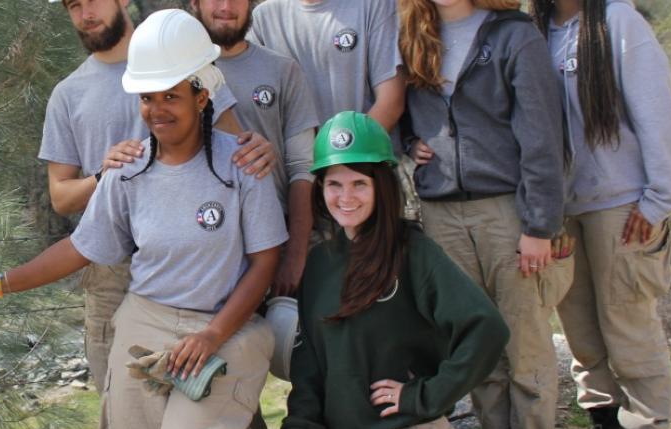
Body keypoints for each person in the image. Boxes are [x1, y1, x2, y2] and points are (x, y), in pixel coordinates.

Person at [0, 11, 286, 429]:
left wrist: (213, 334)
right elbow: (79, 248)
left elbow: (265, 262)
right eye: (147, 97)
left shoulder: (242, 167)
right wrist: (2, 282)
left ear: (202, 96)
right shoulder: (127, 173)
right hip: (143, 323)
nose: (156, 109)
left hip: (227, 327)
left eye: (170, 95)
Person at [42, 0, 275, 399]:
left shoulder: (183, 56)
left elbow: (238, 151)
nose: (86, 13)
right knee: (124, 409)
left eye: (93, 0)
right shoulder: (68, 94)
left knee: (216, 404)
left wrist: (261, 150)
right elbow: (61, 197)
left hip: (198, 262)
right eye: (73, 5)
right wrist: (103, 177)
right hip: (111, 269)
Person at [257, 111, 509, 429]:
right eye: (333, 184)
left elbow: (487, 329)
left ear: (382, 186)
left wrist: (425, 395)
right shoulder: (319, 263)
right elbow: (309, 359)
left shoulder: (414, 252)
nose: (346, 197)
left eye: (359, 183)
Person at [397, 0, 568, 429]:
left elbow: (542, 136)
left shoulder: (514, 36)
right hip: (440, 212)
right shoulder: (411, 33)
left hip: (506, 209)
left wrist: (539, 225)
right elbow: (398, 110)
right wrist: (409, 142)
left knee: (523, 335)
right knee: (475, 336)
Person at [532, 1, 671, 429]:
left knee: (628, 323)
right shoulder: (535, 28)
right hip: (562, 208)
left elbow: (656, 108)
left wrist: (660, 198)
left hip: (622, 204)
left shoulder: (617, 21)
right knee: (579, 328)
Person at [190, 0, 319, 297]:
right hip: (205, 243)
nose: (226, 6)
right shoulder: (173, 72)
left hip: (276, 236)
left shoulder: (283, 70)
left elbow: (302, 166)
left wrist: (297, 253)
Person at [248, 0, 405, 131]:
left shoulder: (375, 4)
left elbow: (391, 102)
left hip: (365, 159)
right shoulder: (262, 18)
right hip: (298, 164)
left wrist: (343, 159)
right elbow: (255, 112)